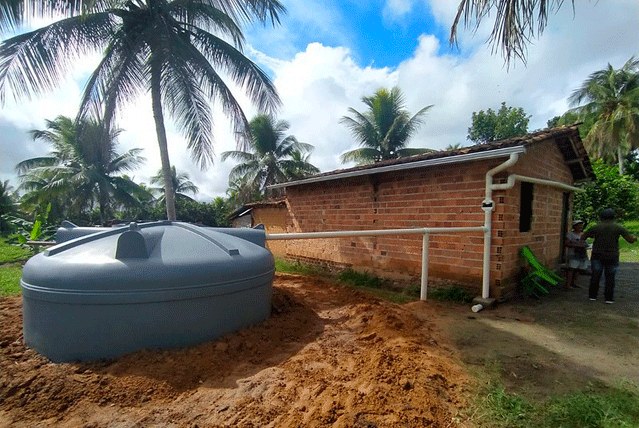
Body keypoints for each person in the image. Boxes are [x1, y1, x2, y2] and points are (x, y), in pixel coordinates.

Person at [582, 208, 637, 303]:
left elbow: (583, 237)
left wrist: (593, 236)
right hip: (612, 255)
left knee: (595, 275)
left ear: (601, 217)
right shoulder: (618, 227)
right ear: (613, 217)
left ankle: (592, 296)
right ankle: (608, 298)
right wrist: (635, 238)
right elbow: (630, 240)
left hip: (597, 255)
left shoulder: (595, 227)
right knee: (610, 277)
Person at [564, 220, 588, 289]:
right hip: (573, 254)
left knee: (578, 269)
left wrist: (584, 245)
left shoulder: (583, 234)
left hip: (582, 254)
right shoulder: (570, 234)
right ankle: (568, 284)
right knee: (571, 269)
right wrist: (576, 245)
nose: (580, 227)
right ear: (574, 226)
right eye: (578, 225)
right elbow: (566, 243)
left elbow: (585, 243)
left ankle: (574, 283)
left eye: (581, 225)